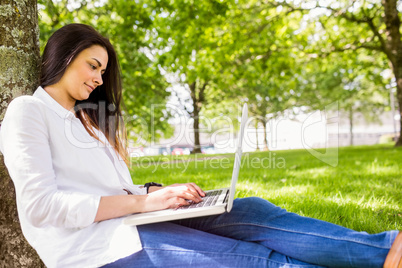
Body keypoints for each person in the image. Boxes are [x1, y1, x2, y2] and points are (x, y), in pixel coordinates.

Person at [0, 23, 400, 268]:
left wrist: (157, 194)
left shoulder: (83, 123)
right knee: (257, 261)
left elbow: (111, 193)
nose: (99, 80)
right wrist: (143, 203)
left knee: (252, 212)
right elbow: (41, 207)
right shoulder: (27, 111)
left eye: (103, 71)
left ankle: (386, 251)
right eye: (93, 65)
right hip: (96, 248)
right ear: (64, 55)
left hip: (131, 220)